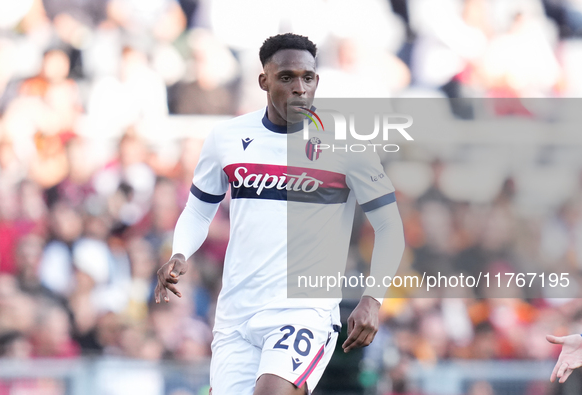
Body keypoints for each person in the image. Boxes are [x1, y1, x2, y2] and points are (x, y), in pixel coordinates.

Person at [155, 33, 405, 395]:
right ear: (264, 81)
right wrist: (179, 252)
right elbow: (198, 208)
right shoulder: (226, 137)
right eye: (286, 77)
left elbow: (389, 226)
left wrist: (373, 298)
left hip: (303, 311)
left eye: (308, 78)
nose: (299, 87)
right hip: (236, 314)